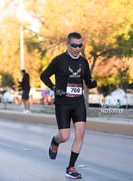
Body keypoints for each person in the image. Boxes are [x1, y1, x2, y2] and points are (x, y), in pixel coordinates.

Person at [40, 32, 97, 179]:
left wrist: (91, 83)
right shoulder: (59, 60)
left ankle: (71, 167)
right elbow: (44, 75)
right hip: (63, 103)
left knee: (80, 134)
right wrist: (53, 88)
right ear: (67, 45)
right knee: (65, 136)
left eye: (80, 45)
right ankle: (55, 140)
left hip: (78, 102)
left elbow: (88, 79)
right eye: (74, 45)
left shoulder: (84, 62)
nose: (77, 48)